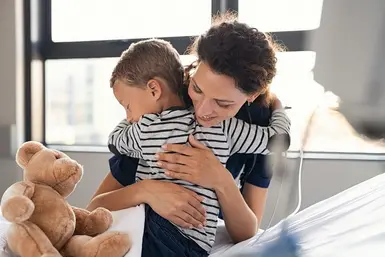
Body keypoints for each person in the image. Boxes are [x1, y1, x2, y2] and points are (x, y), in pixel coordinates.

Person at [87, 14, 289, 256]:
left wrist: (219, 178)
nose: (202, 111)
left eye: (222, 104)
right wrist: (148, 190)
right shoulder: (162, 107)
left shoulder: (257, 121)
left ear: (252, 95)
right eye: (197, 89)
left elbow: (247, 231)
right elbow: (95, 208)